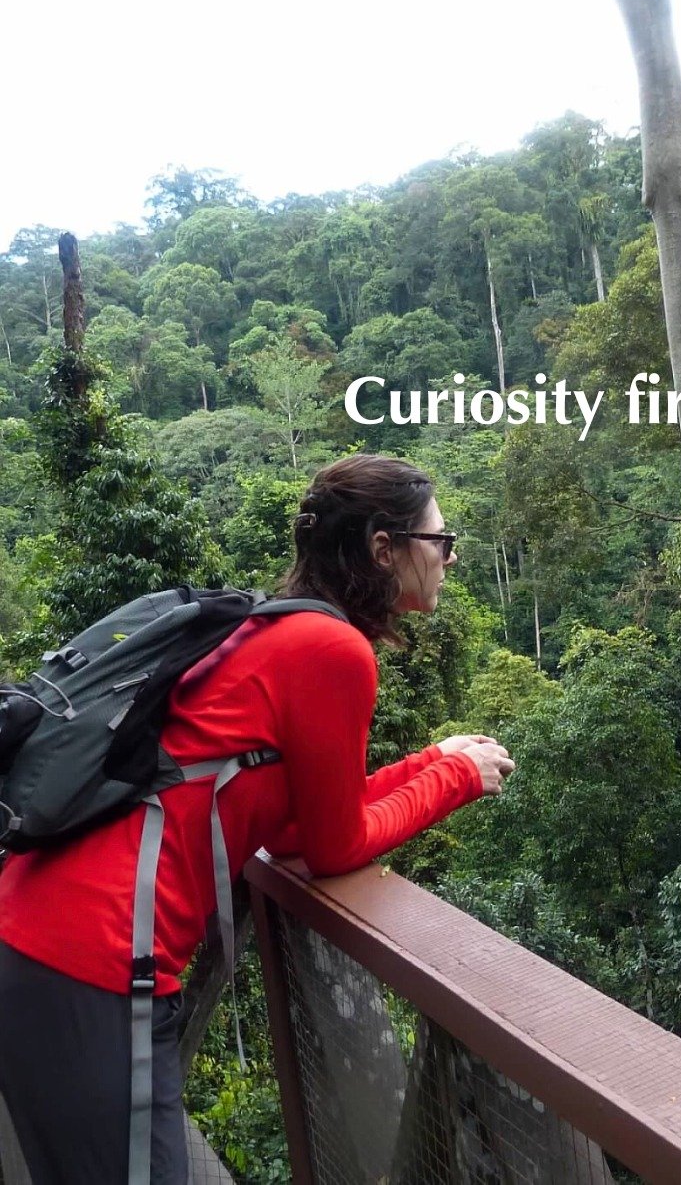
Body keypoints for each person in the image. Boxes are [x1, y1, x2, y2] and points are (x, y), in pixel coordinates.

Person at [0, 452, 514, 1184]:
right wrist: (457, 779)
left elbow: (293, 829)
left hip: (39, 934)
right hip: (100, 961)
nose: (451, 558)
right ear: (382, 549)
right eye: (440, 541)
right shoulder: (332, 650)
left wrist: (430, 763)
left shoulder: (272, 630)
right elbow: (336, 849)